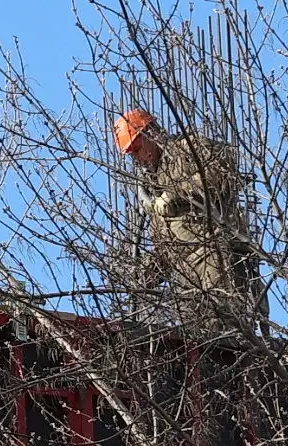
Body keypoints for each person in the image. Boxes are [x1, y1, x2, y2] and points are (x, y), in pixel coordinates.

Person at [113, 108, 266, 327]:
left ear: (151, 134)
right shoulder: (153, 183)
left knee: (224, 329)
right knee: (195, 339)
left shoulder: (186, 150)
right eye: (132, 154)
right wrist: (147, 274)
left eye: (137, 148)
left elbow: (220, 170)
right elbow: (169, 241)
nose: (137, 158)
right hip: (185, 274)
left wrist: (175, 194)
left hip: (215, 255)